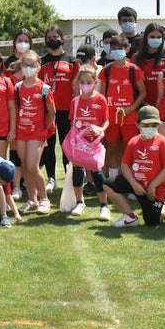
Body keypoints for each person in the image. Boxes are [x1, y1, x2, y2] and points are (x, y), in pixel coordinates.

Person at [102, 105, 165, 227]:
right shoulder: (134, 141)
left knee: (152, 222)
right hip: (136, 184)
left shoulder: (163, 142)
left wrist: (153, 185)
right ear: (137, 125)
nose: (150, 128)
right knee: (108, 184)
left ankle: (164, 204)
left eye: (154, 125)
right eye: (146, 125)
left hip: (155, 190)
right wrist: (134, 184)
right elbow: (125, 165)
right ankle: (130, 217)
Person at [97, 34, 146, 193]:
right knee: (112, 149)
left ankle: (130, 184)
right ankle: (113, 182)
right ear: (110, 51)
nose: (117, 51)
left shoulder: (134, 69)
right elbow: (102, 96)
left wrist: (131, 108)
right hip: (111, 119)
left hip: (130, 118)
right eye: (114, 48)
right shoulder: (106, 70)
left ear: (127, 50)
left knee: (129, 150)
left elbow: (143, 93)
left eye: (120, 48)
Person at [14, 50, 55, 215]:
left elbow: (52, 112)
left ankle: (45, 199)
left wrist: (44, 128)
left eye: (32, 65)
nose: (29, 68)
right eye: (26, 65)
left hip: (37, 133)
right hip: (21, 131)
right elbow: (16, 108)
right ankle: (32, 200)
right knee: (25, 167)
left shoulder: (44, 88)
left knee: (33, 166)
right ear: (21, 66)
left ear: (38, 66)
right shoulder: (18, 87)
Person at [68, 64, 109, 217]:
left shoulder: (101, 99)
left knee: (97, 172)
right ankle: (79, 202)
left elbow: (106, 120)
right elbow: (72, 122)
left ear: (95, 82)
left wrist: (100, 130)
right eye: (82, 82)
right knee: (77, 171)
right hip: (78, 143)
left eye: (89, 82)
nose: (85, 85)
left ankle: (104, 206)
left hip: (94, 143)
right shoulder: (75, 101)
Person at [39, 25, 74, 193]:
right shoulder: (42, 61)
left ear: (62, 38)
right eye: (49, 37)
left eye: (55, 36)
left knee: (66, 145)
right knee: (49, 146)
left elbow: (76, 86)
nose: (53, 39)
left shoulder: (72, 60)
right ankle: (51, 178)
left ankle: (69, 177)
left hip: (67, 109)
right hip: (49, 111)